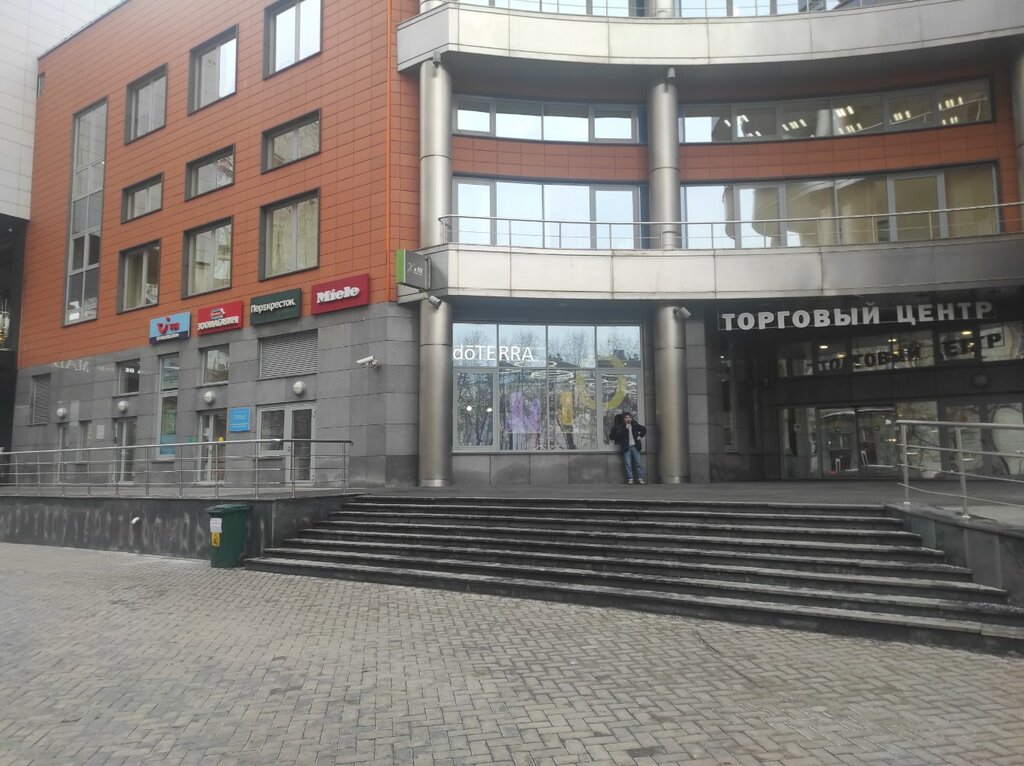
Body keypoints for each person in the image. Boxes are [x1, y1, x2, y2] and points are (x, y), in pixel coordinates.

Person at [610, 411, 646, 485]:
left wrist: (640, 436)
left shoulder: (635, 425)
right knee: (628, 464)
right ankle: (630, 479)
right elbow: (617, 435)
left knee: (638, 463)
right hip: (626, 448)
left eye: (629, 417)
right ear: (624, 419)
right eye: (626, 418)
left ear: (631, 418)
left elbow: (644, 429)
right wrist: (625, 429)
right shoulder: (621, 426)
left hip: (635, 447)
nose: (628, 419)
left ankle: (640, 478)